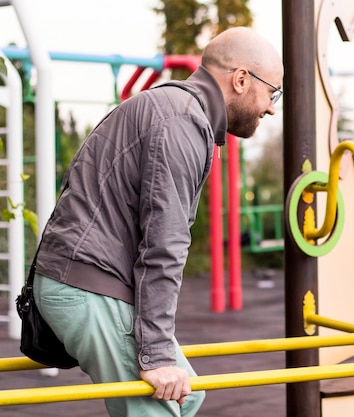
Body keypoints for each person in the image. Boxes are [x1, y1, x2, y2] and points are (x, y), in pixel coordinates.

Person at [32, 26, 283, 417]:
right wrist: (158, 353)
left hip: (84, 278)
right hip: (88, 284)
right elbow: (164, 244)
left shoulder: (173, 109)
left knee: (187, 397)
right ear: (240, 80)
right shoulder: (182, 122)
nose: (271, 107)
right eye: (273, 93)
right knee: (159, 406)